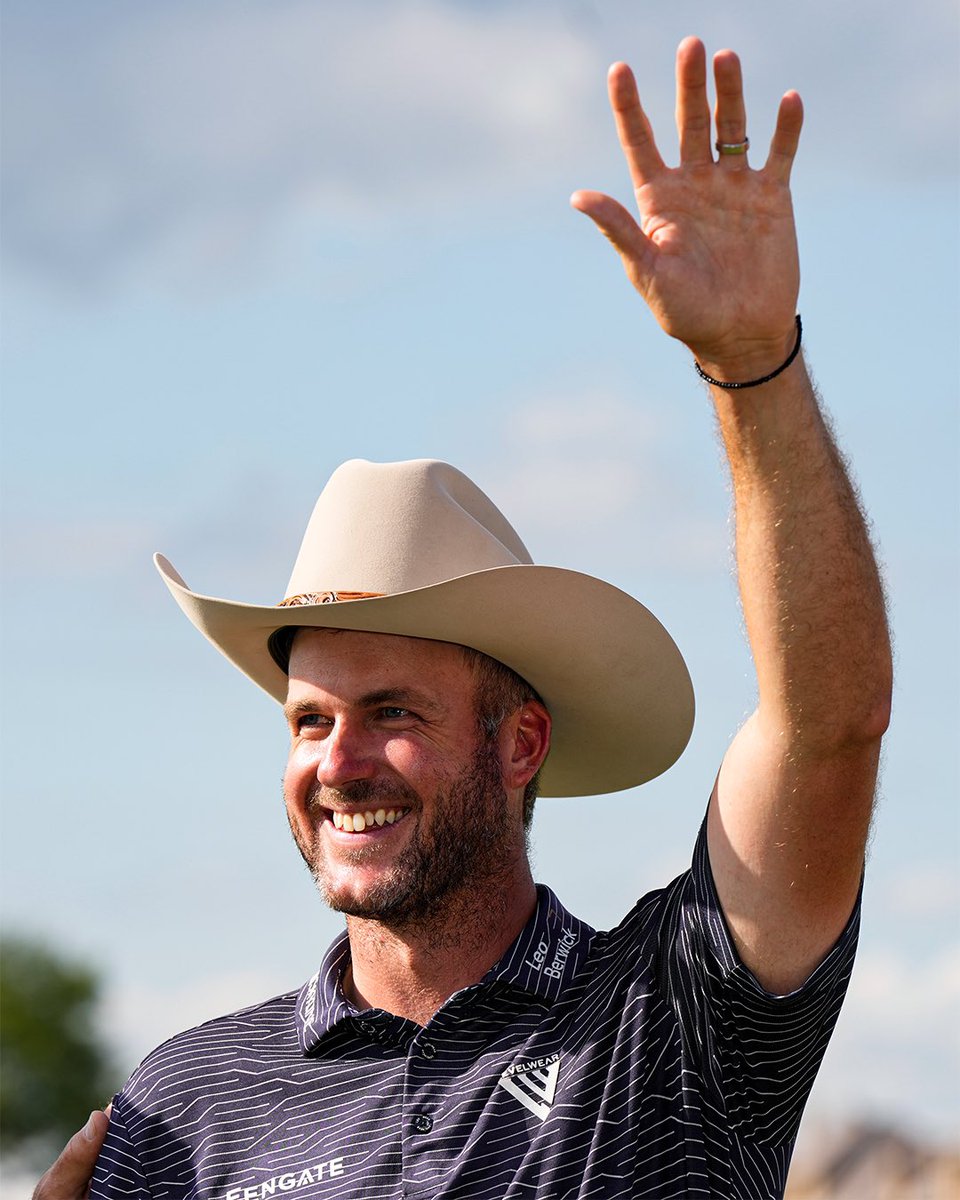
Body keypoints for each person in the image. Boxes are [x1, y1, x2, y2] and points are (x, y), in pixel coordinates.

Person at [35, 37, 891, 1200]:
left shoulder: (679, 1020)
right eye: (306, 722)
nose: (337, 763)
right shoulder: (181, 1111)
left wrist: (753, 369)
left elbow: (826, 722)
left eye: (391, 712)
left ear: (520, 741)